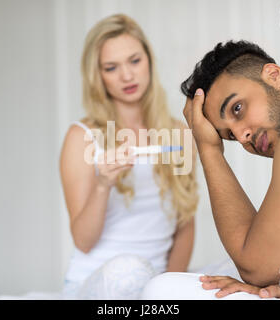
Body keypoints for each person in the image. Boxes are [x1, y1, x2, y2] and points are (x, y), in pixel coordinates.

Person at [142, 40, 280, 300]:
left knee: (163, 291)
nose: (242, 135)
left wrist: (210, 149)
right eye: (229, 137)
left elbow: (258, 269)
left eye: (237, 108)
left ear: (274, 75)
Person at [59, 14, 198, 299]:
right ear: (97, 76)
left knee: (246, 270)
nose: (127, 76)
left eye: (135, 61)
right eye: (111, 67)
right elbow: (84, 241)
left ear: (149, 61)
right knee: (127, 271)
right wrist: (102, 184)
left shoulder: (179, 134)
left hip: (155, 281)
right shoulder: (82, 137)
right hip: (99, 281)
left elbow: (185, 223)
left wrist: (168, 288)